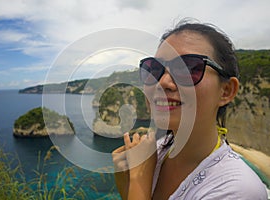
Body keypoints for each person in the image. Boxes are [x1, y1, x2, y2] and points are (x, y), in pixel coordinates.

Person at [112, 20, 268, 200]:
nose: (162, 82)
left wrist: (138, 180)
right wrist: (126, 179)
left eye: (187, 69)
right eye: (154, 69)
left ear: (226, 91)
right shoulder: (154, 154)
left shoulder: (239, 190)